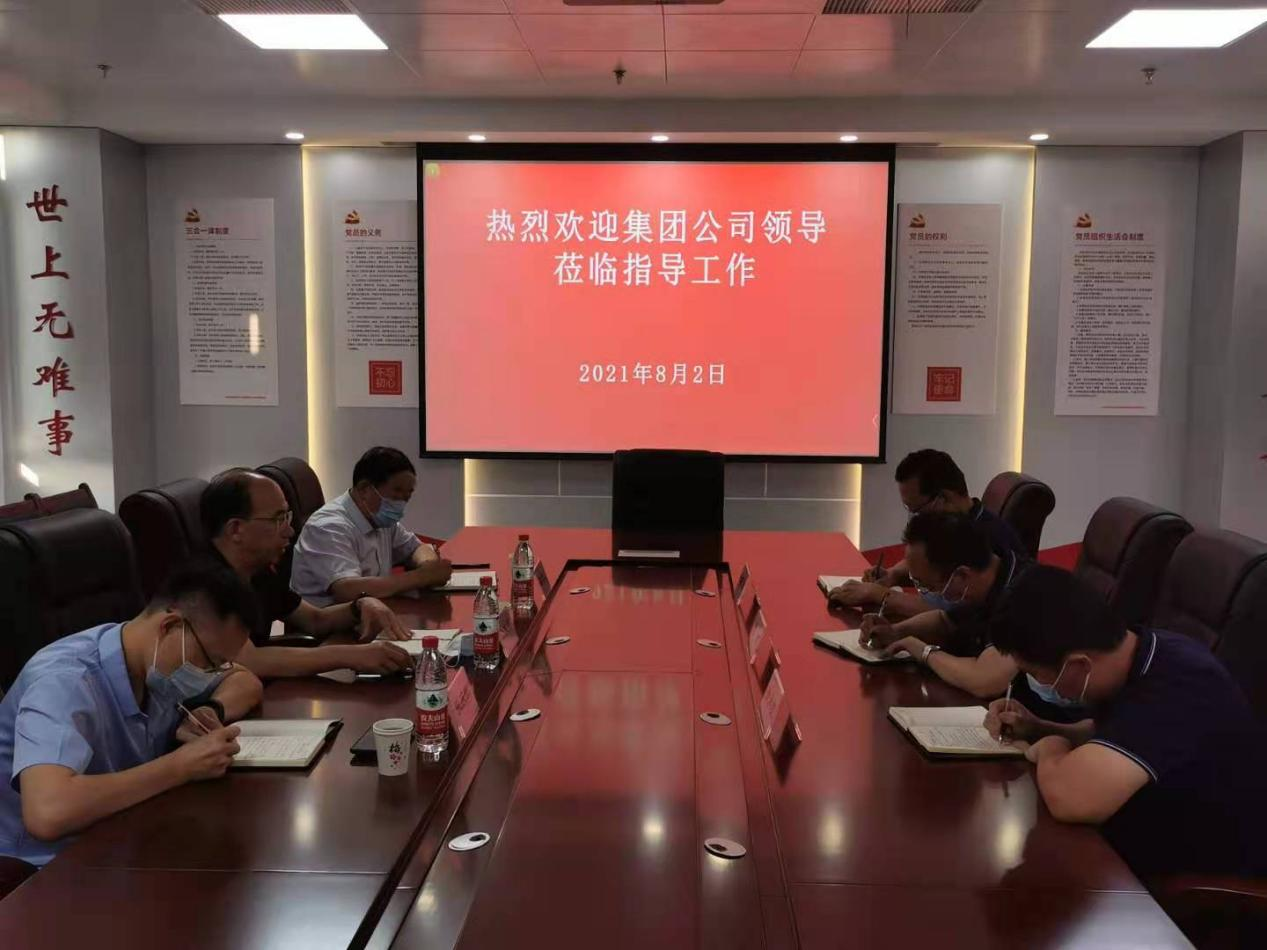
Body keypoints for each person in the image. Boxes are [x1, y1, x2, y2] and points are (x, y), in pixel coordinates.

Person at [984, 565, 1267, 879]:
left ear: (1078, 664)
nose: (1038, 683)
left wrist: (1052, 746)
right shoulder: (1141, 653)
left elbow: (1072, 799)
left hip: (1197, 884)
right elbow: (1115, 737)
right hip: (1139, 844)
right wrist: (1039, 727)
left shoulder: (1180, 687)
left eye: (1037, 674)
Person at [0, 561, 262, 867]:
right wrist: (179, 767)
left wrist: (210, 708)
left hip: (121, 834)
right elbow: (48, 813)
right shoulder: (65, 680)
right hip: (40, 866)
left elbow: (245, 680)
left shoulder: (154, 665)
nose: (206, 675)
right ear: (169, 627)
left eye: (217, 667)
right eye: (209, 662)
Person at [202, 468, 415, 678]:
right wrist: (350, 656)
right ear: (236, 529)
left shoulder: (256, 570)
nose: (289, 530)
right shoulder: (205, 585)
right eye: (278, 520)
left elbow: (315, 620)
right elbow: (249, 661)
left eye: (287, 517)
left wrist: (360, 606)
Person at [828, 449, 1026, 618]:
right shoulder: (958, 524)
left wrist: (879, 595)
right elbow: (931, 566)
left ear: (944, 498)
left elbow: (951, 615)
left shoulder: (986, 541)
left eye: (918, 510)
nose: (915, 518)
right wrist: (893, 575)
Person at [863, 511, 1025, 698]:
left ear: (962, 575)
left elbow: (985, 680)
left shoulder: (1023, 596)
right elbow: (945, 622)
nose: (927, 592)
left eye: (929, 586)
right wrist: (895, 632)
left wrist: (924, 653)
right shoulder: (984, 579)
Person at [291, 447, 452, 606]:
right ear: (365, 489)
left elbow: (415, 548)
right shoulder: (329, 527)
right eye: (396, 495)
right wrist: (421, 577)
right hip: (331, 619)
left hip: (375, 612)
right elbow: (347, 591)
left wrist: (428, 565)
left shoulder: (381, 519)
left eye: (406, 497)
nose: (400, 505)